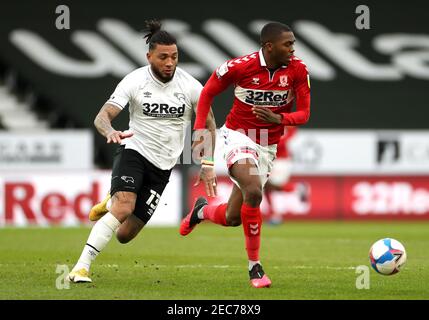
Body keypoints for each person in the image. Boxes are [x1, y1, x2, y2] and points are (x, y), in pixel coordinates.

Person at [66, 20, 216, 283]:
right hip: (134, 151)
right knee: (124, 207)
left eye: (174, 57)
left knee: (125, 235)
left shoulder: (190, 85)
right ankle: (81, 267)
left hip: (163, 166)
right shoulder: (135, 81)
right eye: (163, 57)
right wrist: (109, 130)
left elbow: (210, 121)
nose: (170, 63)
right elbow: (103, 116)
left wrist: (208, 162)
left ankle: (109, 202)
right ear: (149, 57)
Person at [179, 22, 311, 288]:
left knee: (232, 217)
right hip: (236, 136)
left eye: (293, 44)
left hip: (267, 145)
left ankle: (202, 212)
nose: (293, 49)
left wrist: (279, 117)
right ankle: (255, 268)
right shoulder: (239, 67)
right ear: (269, 46)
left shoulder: (298, 70)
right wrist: (200, 135)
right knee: (253, 191)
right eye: (288, 44)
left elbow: (304, 114)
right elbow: (207, 94)